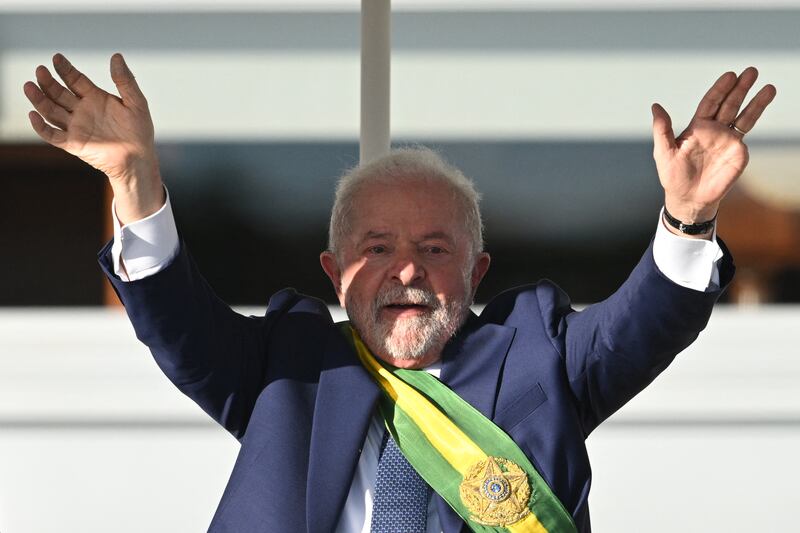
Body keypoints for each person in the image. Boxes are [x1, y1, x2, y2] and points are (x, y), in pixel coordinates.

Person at [24, 53, 776, 533]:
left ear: (477, 274)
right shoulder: (286, 367)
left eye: (434, 249)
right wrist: (134, 181)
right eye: (376, 248)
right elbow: (178, 321)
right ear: (335, 270)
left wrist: (689, 217)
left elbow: (641, 325)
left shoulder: (541, 356)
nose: (407, 271)